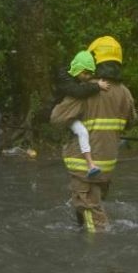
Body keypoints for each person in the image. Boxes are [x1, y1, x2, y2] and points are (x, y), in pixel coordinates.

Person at [51, 35, 134, 233]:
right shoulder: (125, 93)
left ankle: (97, 256)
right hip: (107, 167)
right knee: (94, 208)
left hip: (84, 167)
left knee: (92, 218)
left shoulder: (86, 91)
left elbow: (56, 118)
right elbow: (130, 123)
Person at [55, 50, 110, 178]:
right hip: (63, 113)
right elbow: (78, 91)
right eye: (85, 73)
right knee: (82, 132)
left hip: (73, 112)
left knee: (84, 132)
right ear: (77, 69)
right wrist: (97, 86)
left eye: (90, 74)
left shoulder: (74, 75)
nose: (87, 77)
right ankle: (91, 165)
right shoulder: (64, 78)